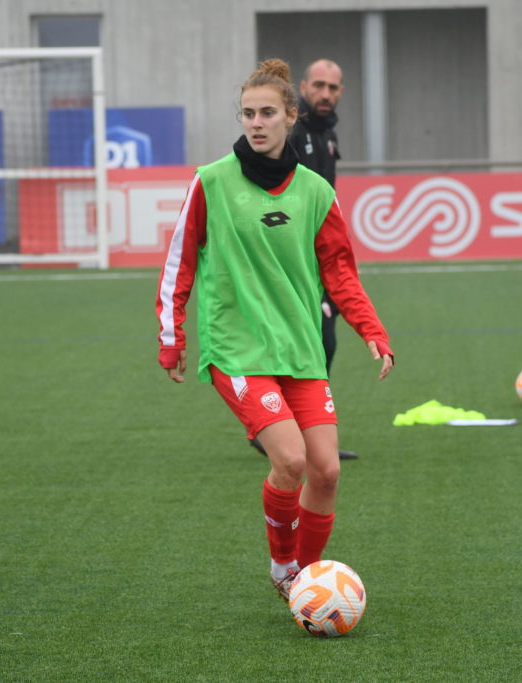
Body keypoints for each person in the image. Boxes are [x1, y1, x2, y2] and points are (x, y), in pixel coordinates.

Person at [155, 59, 394, 600]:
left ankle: (309, 579)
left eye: (267, 113)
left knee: (326, 472)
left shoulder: (316, 190)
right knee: (290, 460)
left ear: (291, 116)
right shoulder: (211, 181)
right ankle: (285, 570)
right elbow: (179, 261)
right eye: (248, 114)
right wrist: (173, 337)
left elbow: (340, 270)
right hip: (237, 349)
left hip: (300, 348)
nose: (256, 123)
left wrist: (371, 330)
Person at [253, 57, 359, 460]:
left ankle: (289, 428)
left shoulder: (327, 134)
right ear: (303, 88)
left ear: (341, 92)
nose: (325, 94)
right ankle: (283, 428)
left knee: (319, 342)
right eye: (318, 86)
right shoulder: (293, 135)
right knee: (316, 340)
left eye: (332, 88)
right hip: (295, 261)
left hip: (318, 257)